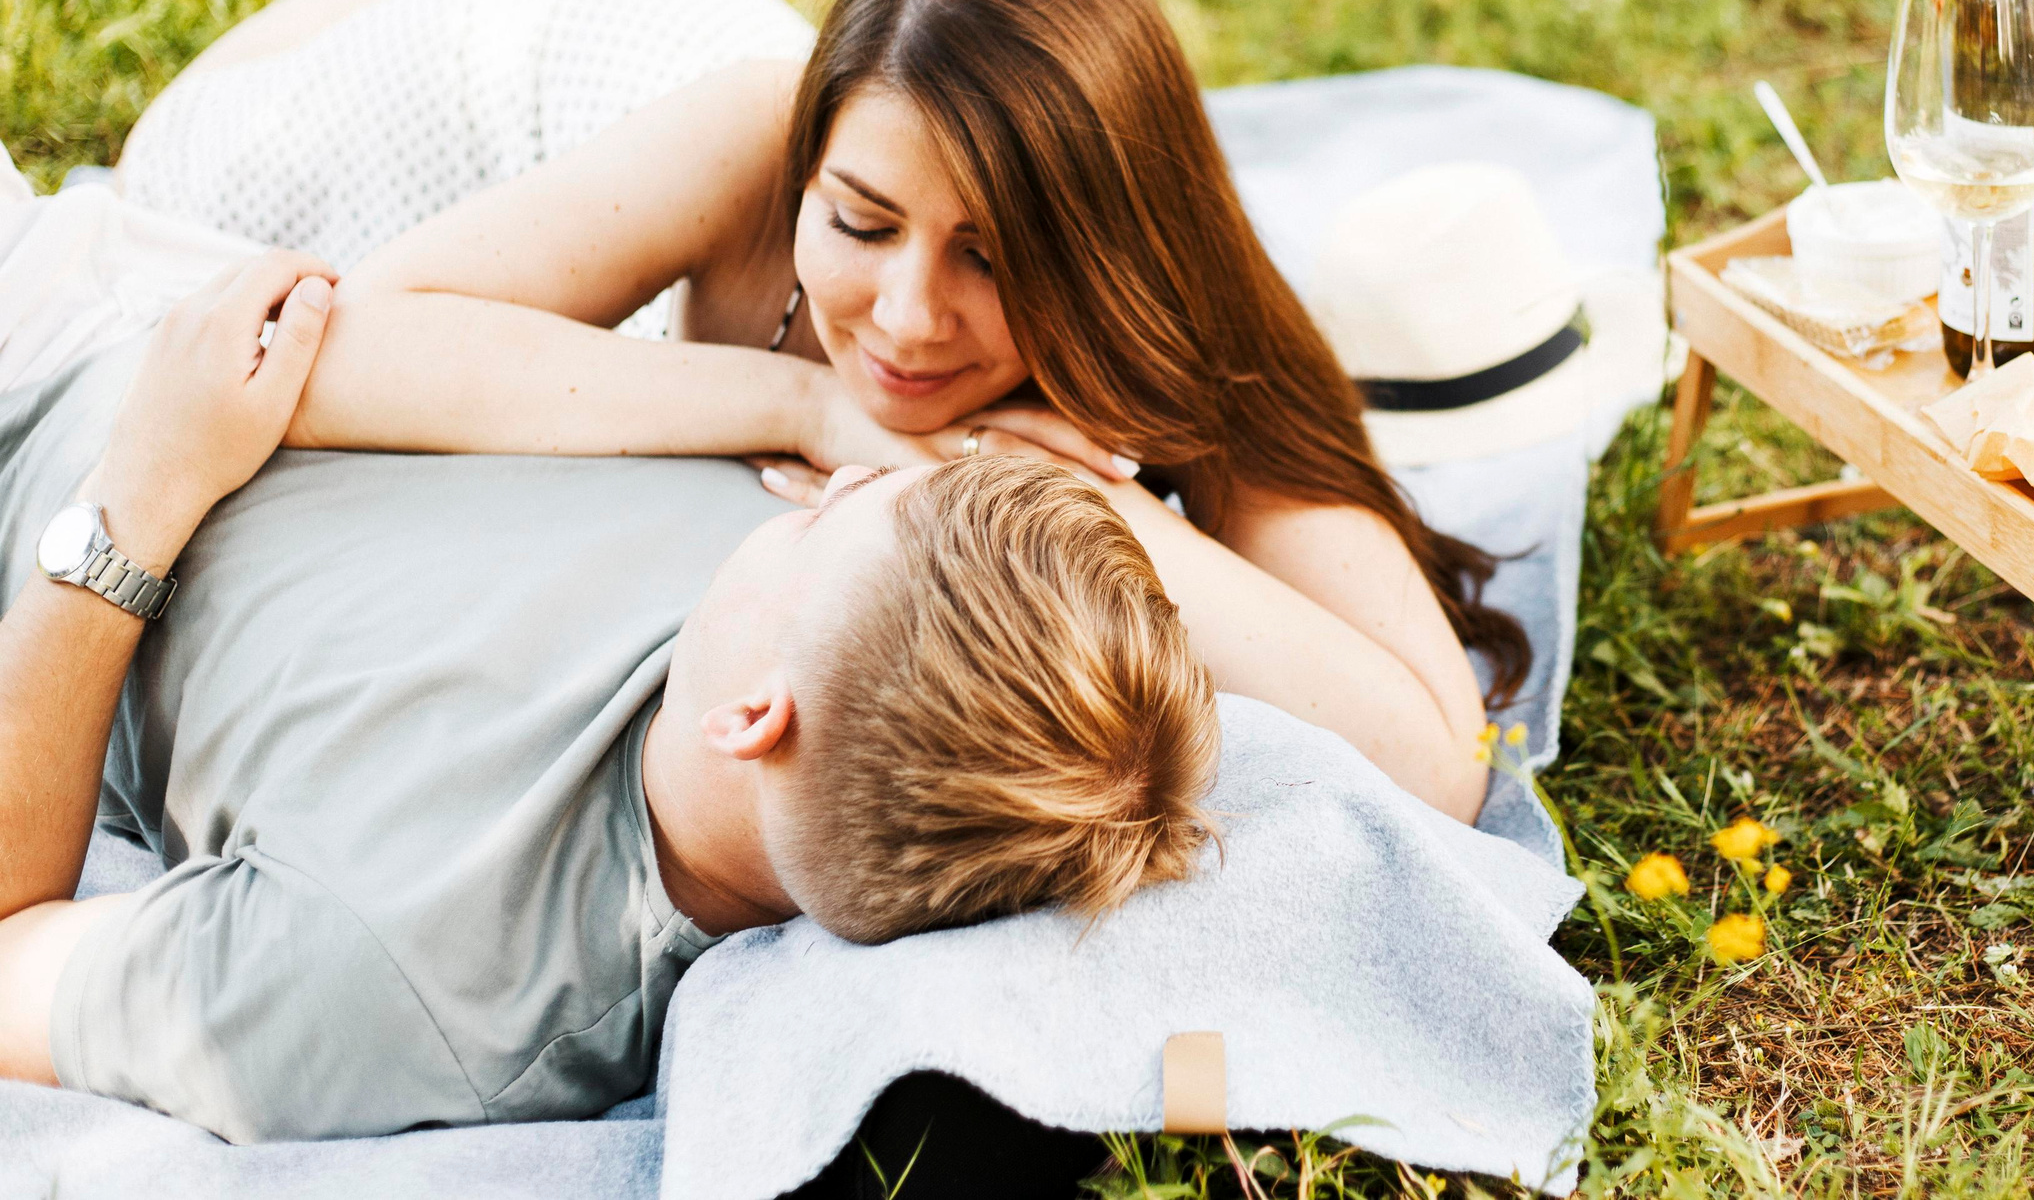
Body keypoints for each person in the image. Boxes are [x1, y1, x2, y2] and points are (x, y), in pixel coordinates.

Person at [121, 0, 1520, 818]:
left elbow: (1433, 760)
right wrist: (808, 399)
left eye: (991, 253)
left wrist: (1071, 503)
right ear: (812, 165)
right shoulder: (749, 129)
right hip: (456, 118)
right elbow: (331, 347)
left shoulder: (1163, 323)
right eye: (860, 223)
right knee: (152, 184)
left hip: (576, 148)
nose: (908, 318)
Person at [0, 235, 1234, 1143]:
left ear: (753, 718)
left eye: (829, 525)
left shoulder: (393, 982)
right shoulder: (834, 637)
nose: (839, 478)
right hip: (185, 267)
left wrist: (138, 499)